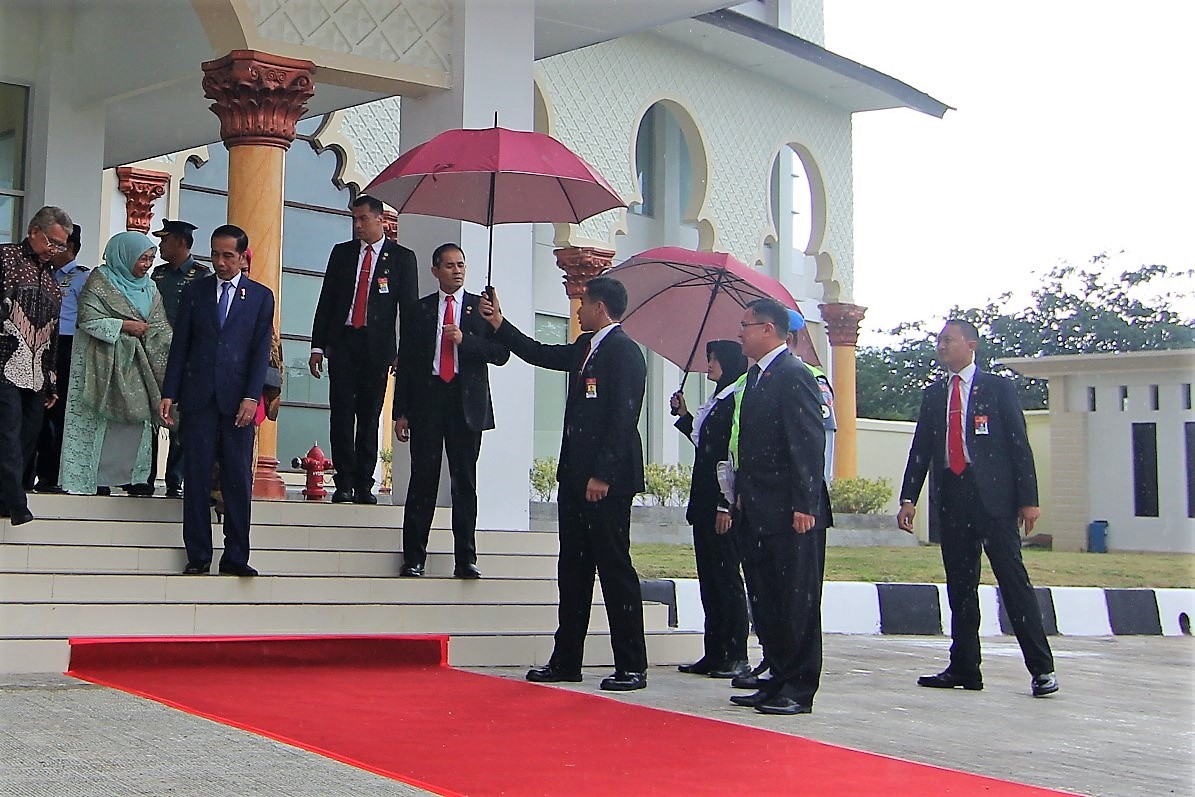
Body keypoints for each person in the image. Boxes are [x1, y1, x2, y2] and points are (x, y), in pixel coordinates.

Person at [480, 276, 649, 692]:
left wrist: (603, 475)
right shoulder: (586, 349)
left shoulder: (624, 353)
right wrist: (501, 324)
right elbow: (542, 354)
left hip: (606, 483)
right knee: (572, 570)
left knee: (614, 569)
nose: (577, 310)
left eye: (584, 303)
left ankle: (631, 664)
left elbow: (622, 420)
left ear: (602, 307)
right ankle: (566, 658)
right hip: (575, 479)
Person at [896, 319, 1057, 697]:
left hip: (995, 500)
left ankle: (1041, 668)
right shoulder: (935, 394)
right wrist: (909, 497)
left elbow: (1019, 445)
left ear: (971, 344)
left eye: (948, 340)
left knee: (1013, 582)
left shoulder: (996, 388)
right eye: (938, 341)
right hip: (953, 497)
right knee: (960, 585)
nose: (941, 346)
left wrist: (1028, 500)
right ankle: (965, 666)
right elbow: (920, 449)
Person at [729, 297, 830, 716]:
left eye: (746, 325)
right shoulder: (755, 378)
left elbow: (808, 444)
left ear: (769, 330)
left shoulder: (794, 374)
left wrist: (804, 503)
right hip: (757, 509)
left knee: (796, 601)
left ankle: (799, 685)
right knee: (766, 598)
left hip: (792, 512)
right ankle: (775, 675)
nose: (740, 333)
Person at [160, 224, 274, 577]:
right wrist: (169, 392)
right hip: (198, 398)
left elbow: (260, 354)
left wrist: (251, 397)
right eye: (215, 254)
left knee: (238, 479)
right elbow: (181, 346)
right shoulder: (196, 291)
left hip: (238, 401)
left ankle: (236, 556)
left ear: (242, 257)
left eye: (228, 255)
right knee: (195, 476)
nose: (221, 262)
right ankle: (198, 555)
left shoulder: (259, 296)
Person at [393, 244, 509, 579]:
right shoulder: (420, 310)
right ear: (435, 271)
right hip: (428, 401)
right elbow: (409, 364)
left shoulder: (480, 307)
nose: (456, 271)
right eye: (449, 265)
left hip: (465, 403)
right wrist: (401, 412)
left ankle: (466, 558)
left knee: (464, 483)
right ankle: (414, 557)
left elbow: (501, 353)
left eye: (461, 265)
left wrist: (465, 340)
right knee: (423, 481)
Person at [309, 195, 418, 504]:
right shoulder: (341, 254)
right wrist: (318, 346)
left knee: (369, 416)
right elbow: (326, 301)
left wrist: (404, 353)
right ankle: (343, 481)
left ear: (380, 219)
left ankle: (363, 483)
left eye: (363, 219)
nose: (357, 225)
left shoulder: (401, 258)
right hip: (343, 342)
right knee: (341, 414)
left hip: (377, 346)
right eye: (353, 219)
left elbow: (408, 310)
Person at [59, 232, 171, 497]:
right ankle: (97, 479)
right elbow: (87, 318)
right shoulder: (100, 281)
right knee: (101, 422)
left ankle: (132, 477)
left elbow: (160, 326)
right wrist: (124, 326)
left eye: (150, 259)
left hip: (140, 365)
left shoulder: (150, 287)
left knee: (137, 421)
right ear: (125, 255)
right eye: (142, 258)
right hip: (102, 364)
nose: (146, 265)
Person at [669, 340, 750, 679]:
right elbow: (705, 445)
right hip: (703, 499)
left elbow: (727, 454)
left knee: (726, 577)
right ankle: (714, 650)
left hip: (721, 500)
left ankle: (736, 652)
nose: (709, 366)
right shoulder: (716, 400)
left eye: (713, 359)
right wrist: (685, 416)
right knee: (709, 579)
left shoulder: (735, 399)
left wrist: (725, 503)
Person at [0, 206, 72, 526]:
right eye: (52, 242)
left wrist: (51, 380)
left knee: (29, 433)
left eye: (61, 245)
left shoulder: (54, 282)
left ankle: (6, 499)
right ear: (33, 232)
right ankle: (17, 503)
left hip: (36, 372)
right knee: (8, 432)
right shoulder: (6, 259)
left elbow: (53, 335)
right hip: (3, 363)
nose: (56, 250)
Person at [148, 219, 208, 498]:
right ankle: (144, 476)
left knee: (181, 422)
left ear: (182, 243)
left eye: (166, 240)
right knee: (148, 415)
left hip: (186, 359)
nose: (161, 245)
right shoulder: (157, 275)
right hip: (153, 354)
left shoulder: (202, 276)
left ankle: (176, 478)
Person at [26, 224, 87, 494]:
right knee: (31, 409)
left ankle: (52, 475)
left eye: (60, 245)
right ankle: (26, 474)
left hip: (66, 346)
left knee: (58, 413)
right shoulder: (42, 273)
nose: (54, 250)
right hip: (38, 343)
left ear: (71, 248)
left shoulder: (81, 278)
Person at [786, 309, 836, 486]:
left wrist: (813, 493)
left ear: (787, 339)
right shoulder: (750, 379)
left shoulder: (813, 378)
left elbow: (824, 435)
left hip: (795, 490)